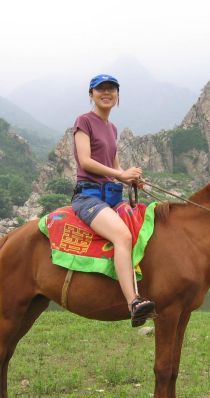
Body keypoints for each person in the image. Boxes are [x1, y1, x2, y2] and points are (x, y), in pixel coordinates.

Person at [71, 74, 156, 327]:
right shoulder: (84, 121)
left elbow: (115, 167)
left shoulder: (112, 128)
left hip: (112, 195)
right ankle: (133, 302)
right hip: (89, 196)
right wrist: (120, 174)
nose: (106, 93)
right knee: (122, 236)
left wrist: (131, 180)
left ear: (118, 96)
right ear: (91, 94)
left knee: (147, 225)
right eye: (100, 89)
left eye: (111, 89)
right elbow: (85, 161)